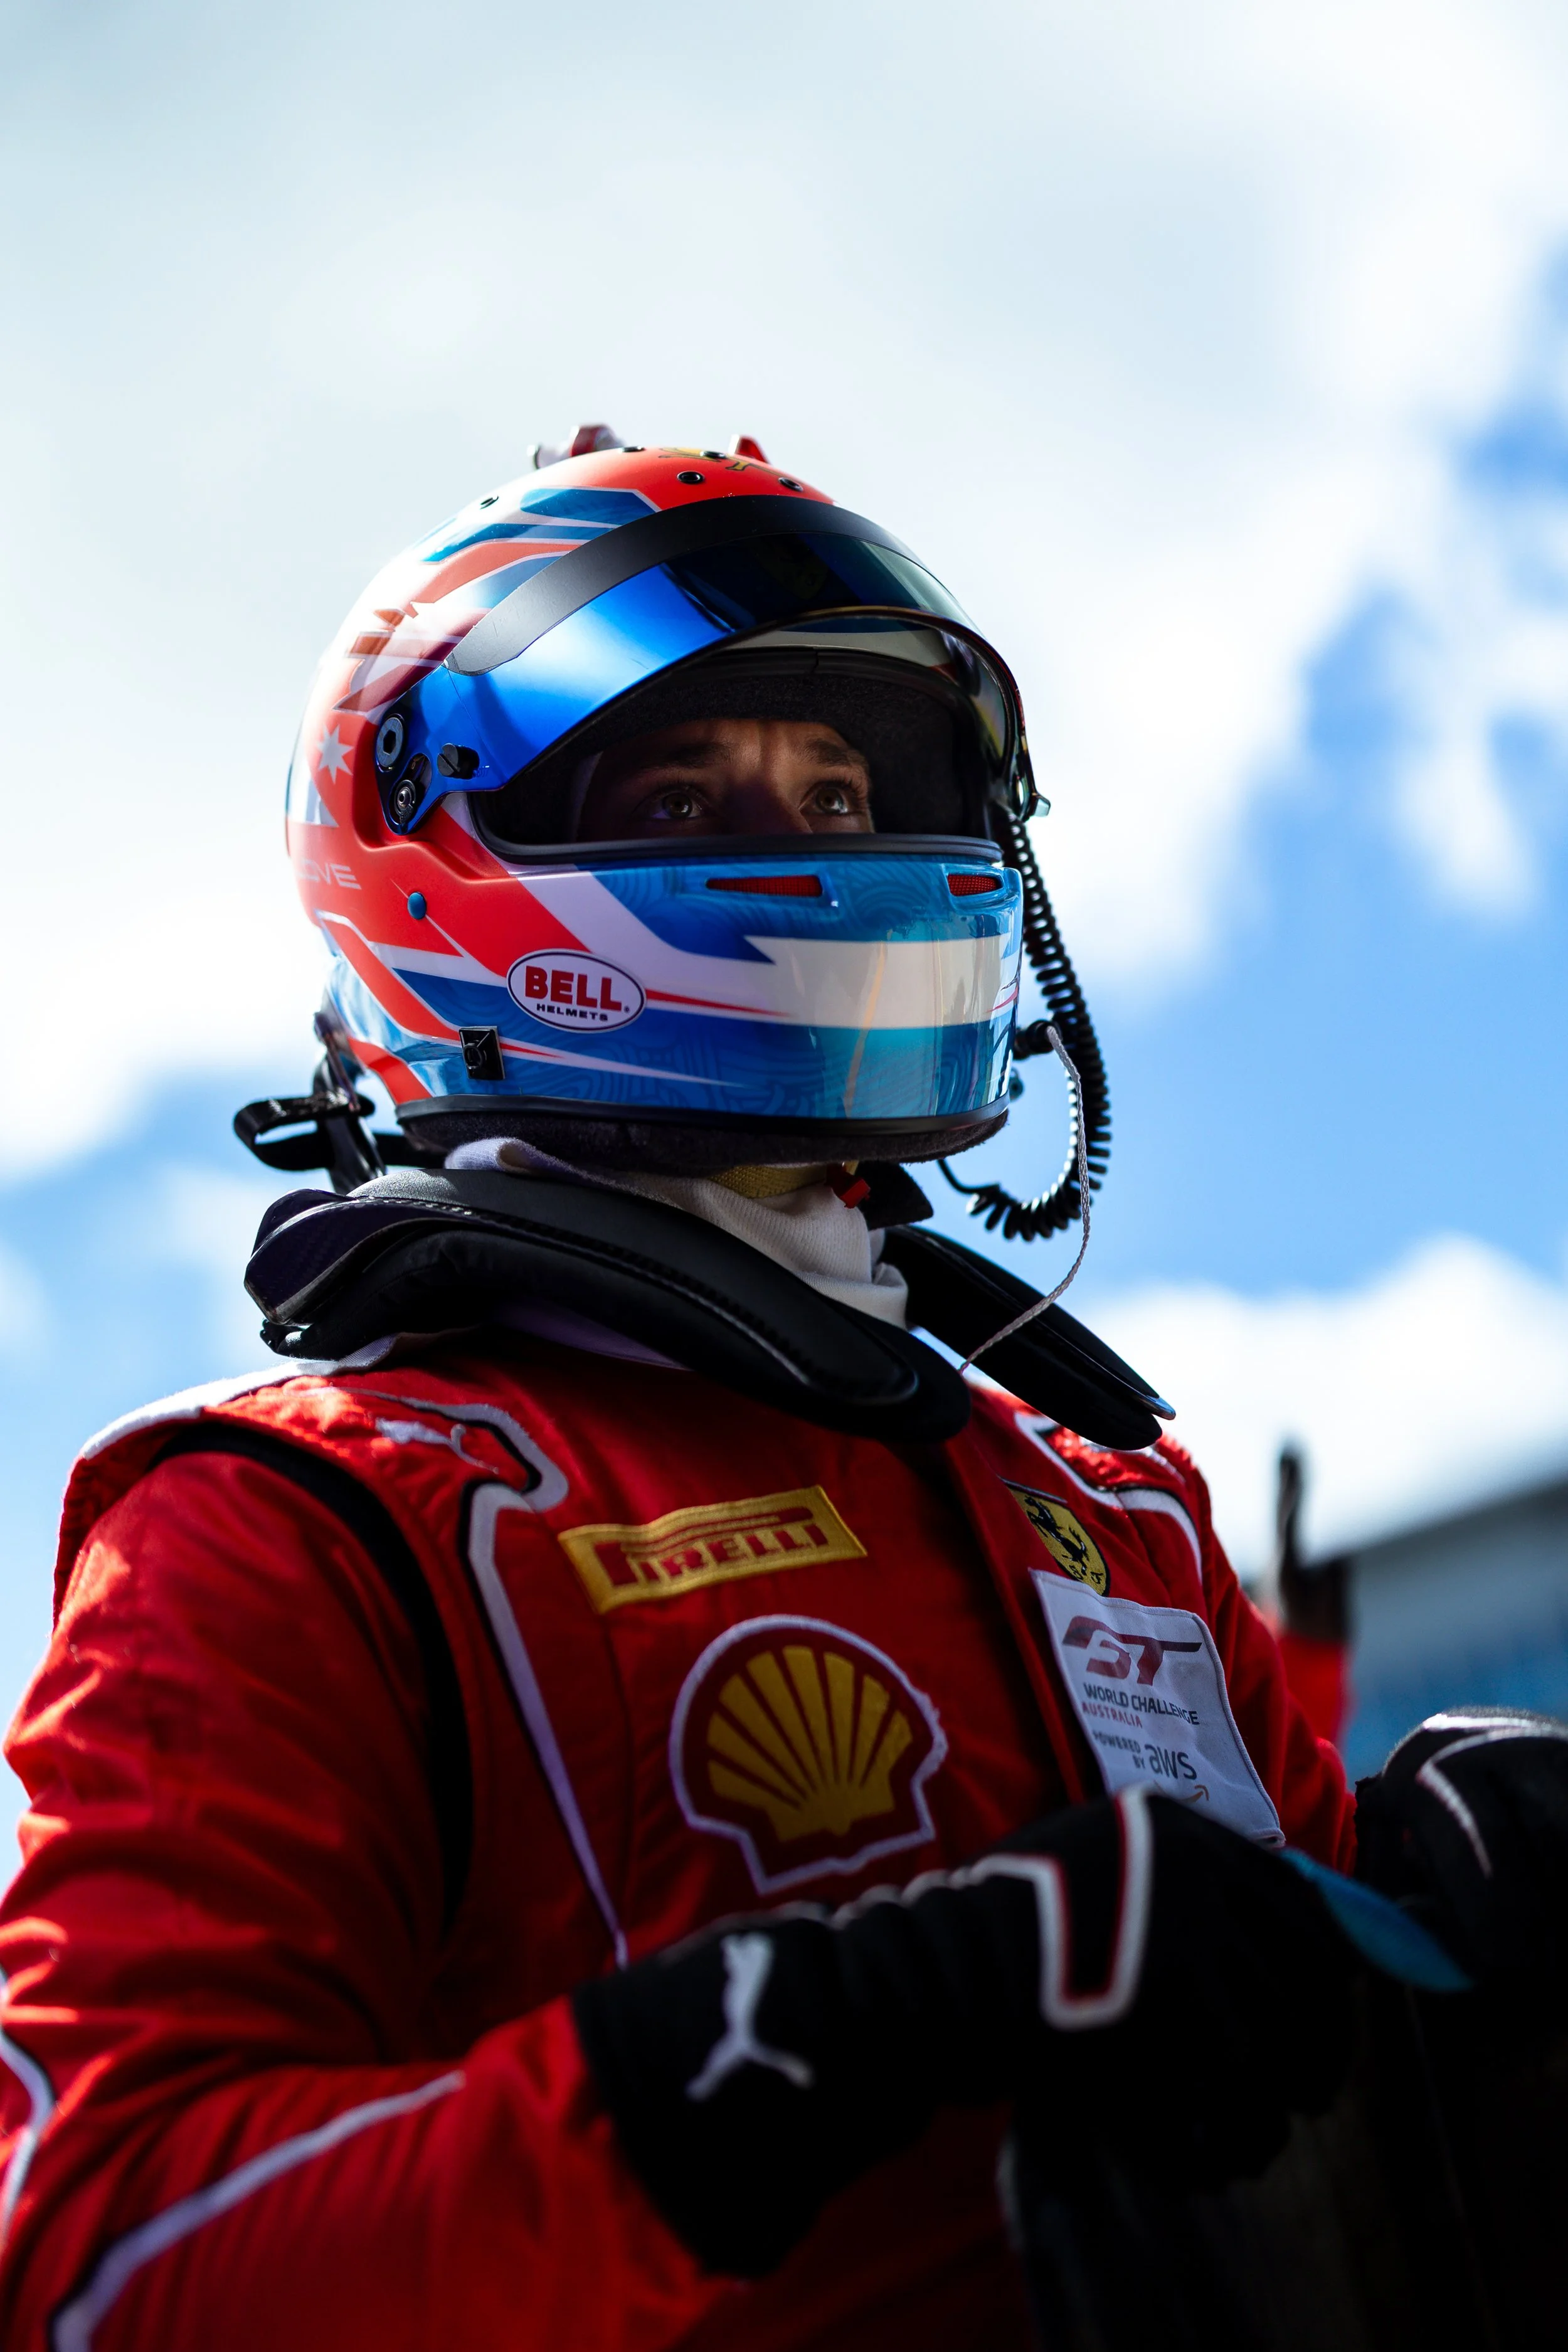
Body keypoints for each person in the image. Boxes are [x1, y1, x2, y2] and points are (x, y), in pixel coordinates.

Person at [1, 432, 1564, 2352]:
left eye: (843, 782)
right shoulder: (290, 1525)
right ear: (443, 852)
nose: (810, 837)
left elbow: (1308, 2059)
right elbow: (104, 2263)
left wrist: (1441, 1891)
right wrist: (781, 2037)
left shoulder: (1113, 1507)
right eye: (688, 784)